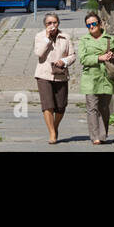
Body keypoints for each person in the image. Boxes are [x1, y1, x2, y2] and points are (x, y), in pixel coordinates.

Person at [78, 11, 114, 145]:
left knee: (104, 107)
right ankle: (95, 136)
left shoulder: (109, 39)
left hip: (106, 77)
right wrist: (99, 58)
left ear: (100, 24)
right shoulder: (84, 40)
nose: (91, 27)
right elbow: (83, 58)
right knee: (92, 107)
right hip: (91, 78)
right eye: (88, 25)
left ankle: (103, 135)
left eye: (93, 24)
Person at [33, 13, 76, 144]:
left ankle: (55, 126)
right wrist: (47, 38)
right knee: (48, 105)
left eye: (55, 23)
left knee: (61, 106)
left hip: (60, 74)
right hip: (44, 74)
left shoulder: (65, 37)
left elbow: (73, 55)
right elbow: (39, 53)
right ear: (45, 25)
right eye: (49, 23)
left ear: (58, 23)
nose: (52, 26)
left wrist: (64, 61)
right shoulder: (39, 36)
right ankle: (52, 133)